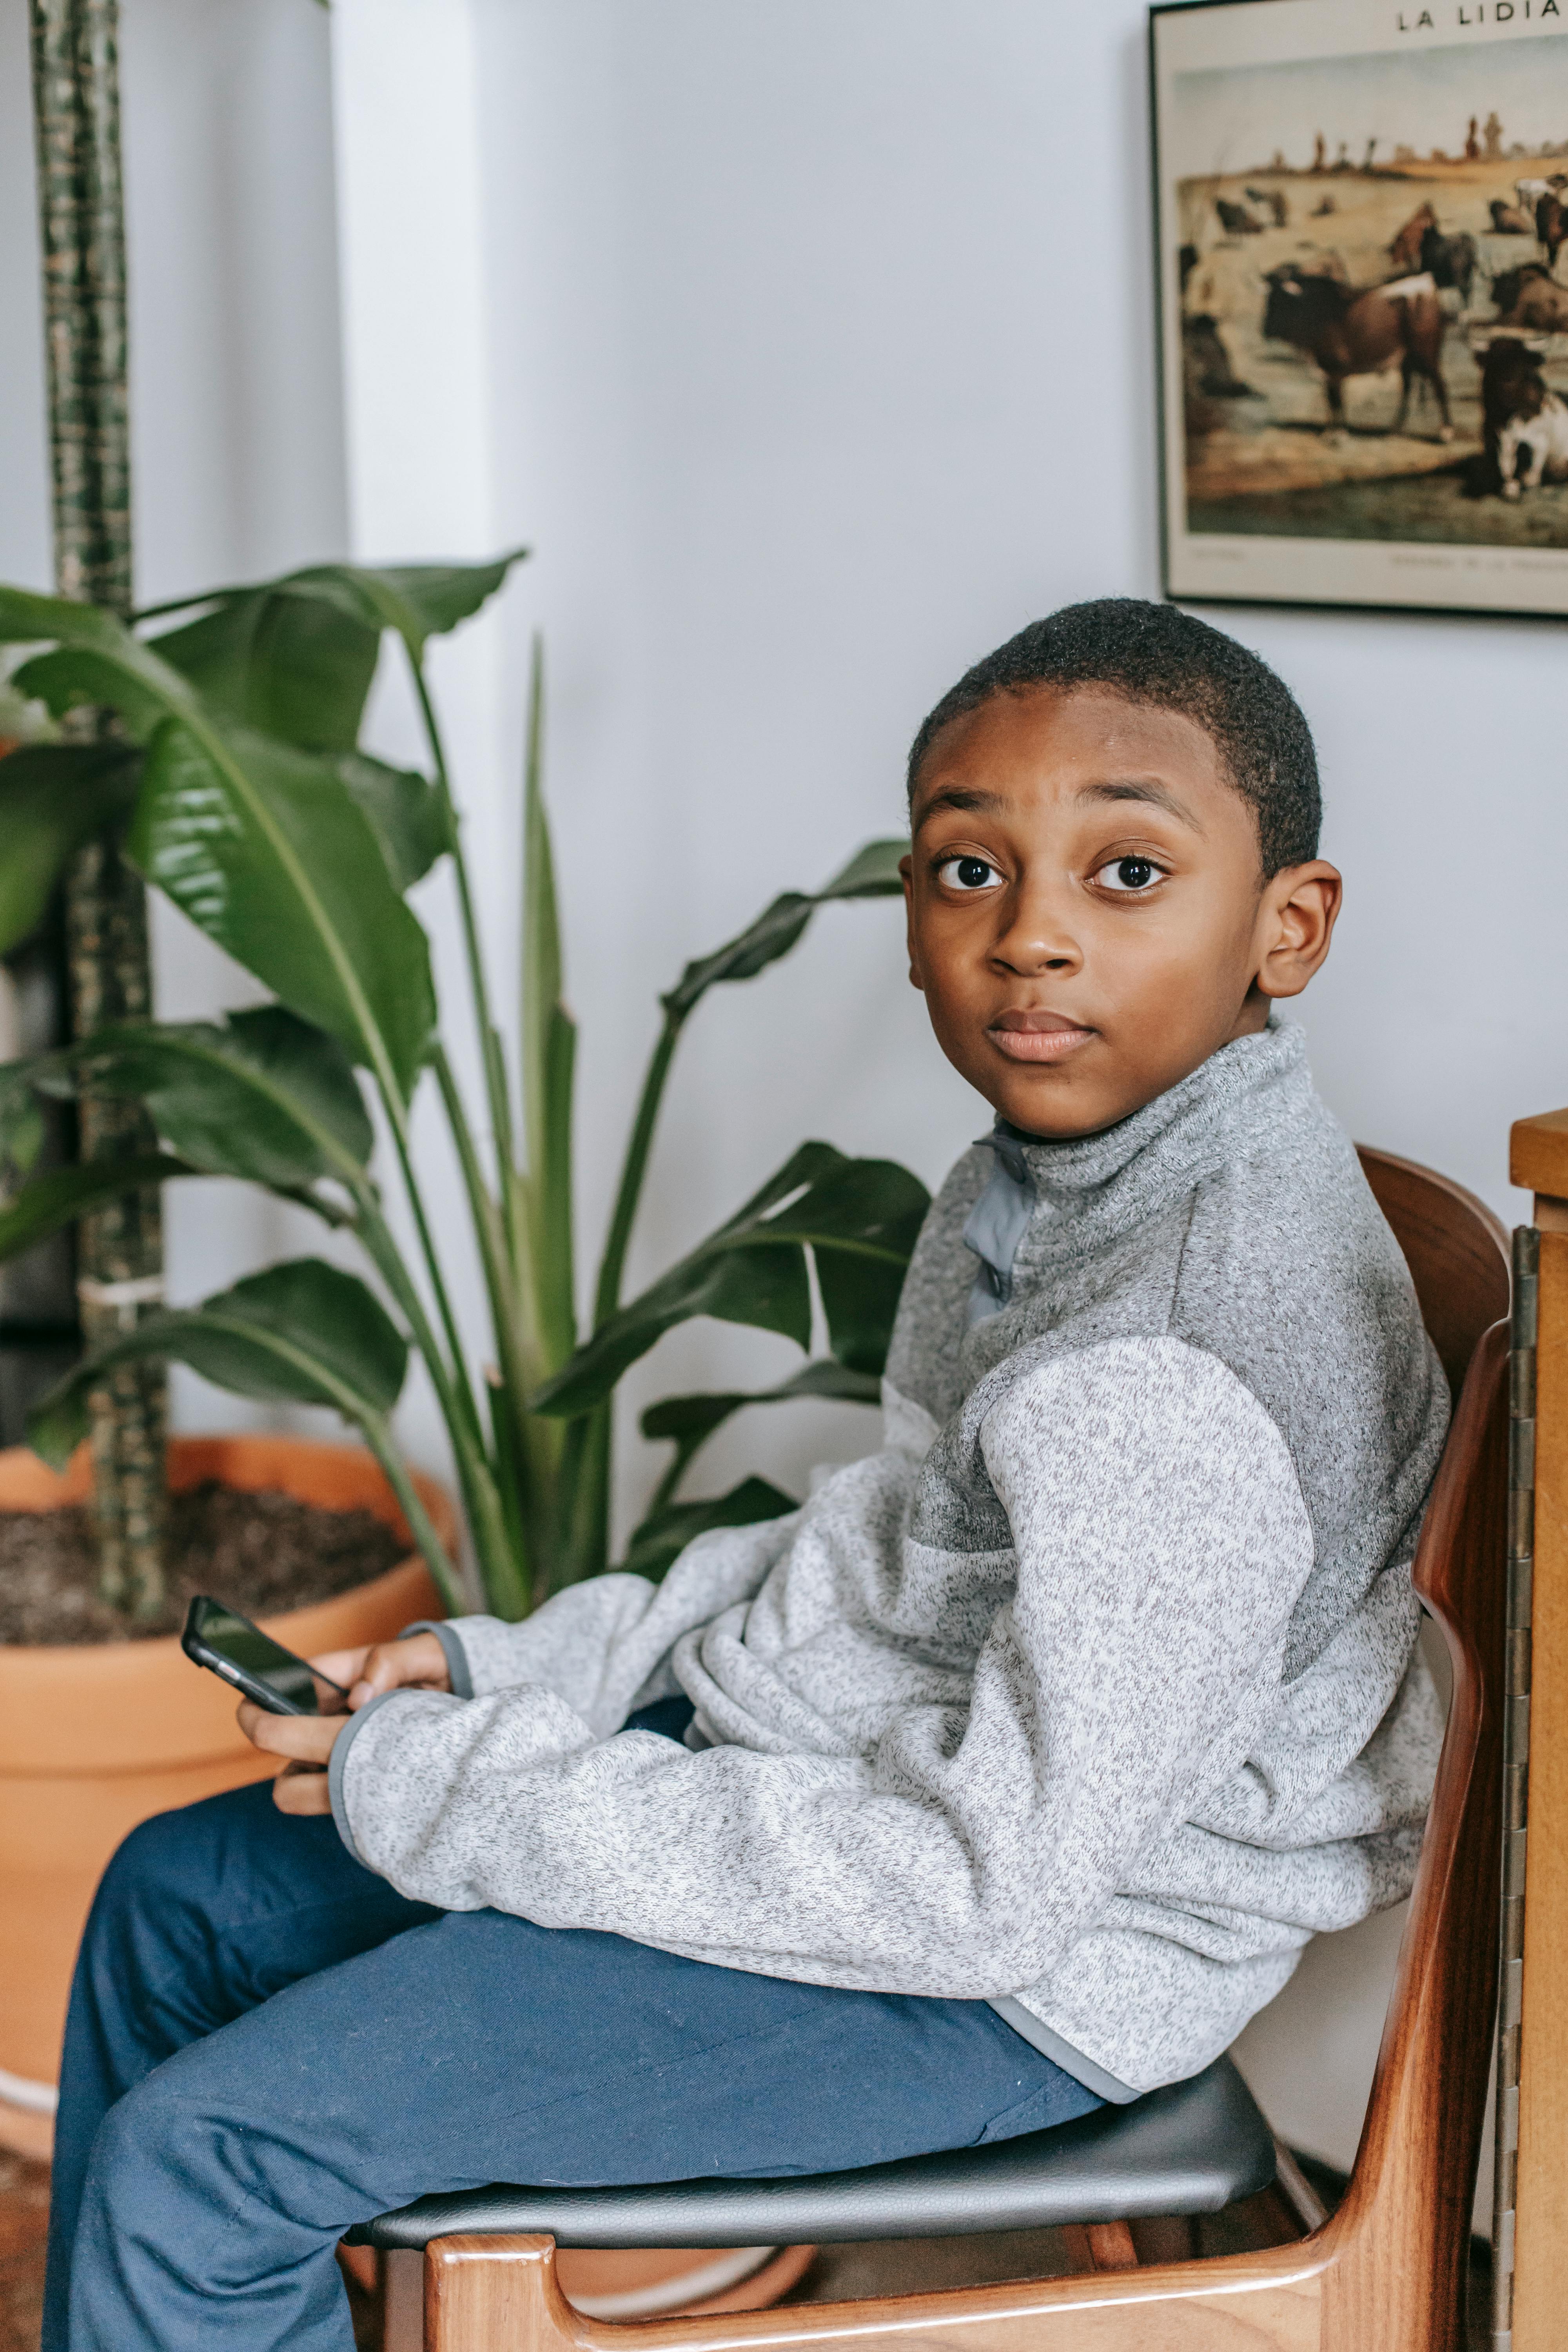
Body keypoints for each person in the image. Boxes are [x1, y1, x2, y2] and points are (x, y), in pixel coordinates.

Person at [44, 599, 1449, 2351]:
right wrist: (512, 1674)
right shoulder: (1048, 1180)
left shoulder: (1172, 1370)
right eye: (965, 872)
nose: (1031, 942)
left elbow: (972, 1891)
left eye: (1129, 875)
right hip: (851, 1793)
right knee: (179, 1900)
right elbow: (885, 1545)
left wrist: (475, 1784)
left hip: (1007, 1970)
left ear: (1285, 928)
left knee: (212, 2158)